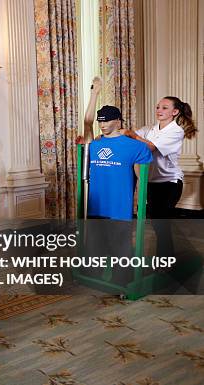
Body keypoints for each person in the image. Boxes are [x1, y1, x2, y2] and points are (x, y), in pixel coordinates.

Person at [82, 77, 152, 289]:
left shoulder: (135, 147)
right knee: (95, 247)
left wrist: (142, 203)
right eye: (100, 121)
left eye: (107, 121)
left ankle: (123, 285)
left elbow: (142, 179)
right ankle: (93, 281)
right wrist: (94, 93)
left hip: (119, 208)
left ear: (118, 121)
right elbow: (87, 121)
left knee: (121, 249)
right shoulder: (93, 145)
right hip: (96, 207)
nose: (102, 125)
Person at [121, 96, 197, 274]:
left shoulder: (176, 131)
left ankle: (166, 264)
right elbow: (131, 140)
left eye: (164, 107)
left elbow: (149, 147)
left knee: (161, 224)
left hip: (170, 183)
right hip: (152, 183)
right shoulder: (151, 129)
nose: (159, 110)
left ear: (175, 112)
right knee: (156, 223)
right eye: (157, 107)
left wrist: (132, 134)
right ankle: (166, 259)